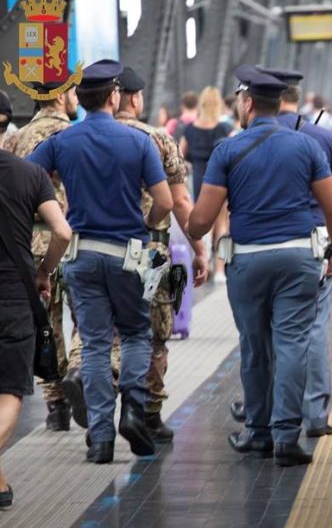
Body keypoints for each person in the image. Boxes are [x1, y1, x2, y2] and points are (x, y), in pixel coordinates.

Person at [188, 67, 332, 466]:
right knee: (293, 343)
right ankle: (287, 437)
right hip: (298, 257)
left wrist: (190, 229)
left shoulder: (229, 149)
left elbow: (203, 219)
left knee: (256, 346)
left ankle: (257, 433)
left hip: (248, 259)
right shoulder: (307, 147)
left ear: (248, 103)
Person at [28, 59, 173, 464]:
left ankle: (102, 440)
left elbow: (27, 179)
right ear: (114, 96)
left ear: (82, 99)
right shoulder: (139, 141)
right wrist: (144, 225)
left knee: (92, 345)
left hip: (81, 254)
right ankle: (133, 410)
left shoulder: (62, 141)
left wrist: (53, 211)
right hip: (128, 253)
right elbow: (164, 202)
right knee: (136, 334)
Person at [229, 67, 332, 437]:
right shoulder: (320, 138)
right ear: (296, 95)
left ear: (253, 100)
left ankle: (261, 416)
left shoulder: (240, 140)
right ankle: (312, 415)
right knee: (306, 332)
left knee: (259, 339)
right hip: (309, 246)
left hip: (254, 249)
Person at [91, 66, 206, 442]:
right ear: (135, 98)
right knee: (152, 331)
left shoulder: (85, 137)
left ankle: (99, 416)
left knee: (101, 333)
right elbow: (180, 202)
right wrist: (199, 249)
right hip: (149, 250)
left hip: (96, 246)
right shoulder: (158, 139)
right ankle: (148, 412)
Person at [0, 144, 71, 509]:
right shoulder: (30, 174)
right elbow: (61, 231)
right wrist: (44, 270)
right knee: (10, 391)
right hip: (13, 297)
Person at [5, 80, 79, 431]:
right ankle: (82, 377)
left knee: (46, 325)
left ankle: (56, 406)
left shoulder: (15, 139)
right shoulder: (73, 136)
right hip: (69, 241)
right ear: (62, 96)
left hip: (25, 244)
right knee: (87, 321)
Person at [179, 86, 231, 284]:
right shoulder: (223, 129)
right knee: (221, 224)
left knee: (202, 223)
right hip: (219, 181)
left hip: (198, 179)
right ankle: (219, 270)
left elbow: (180, 155)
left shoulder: (190, 129)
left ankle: (204, 261)